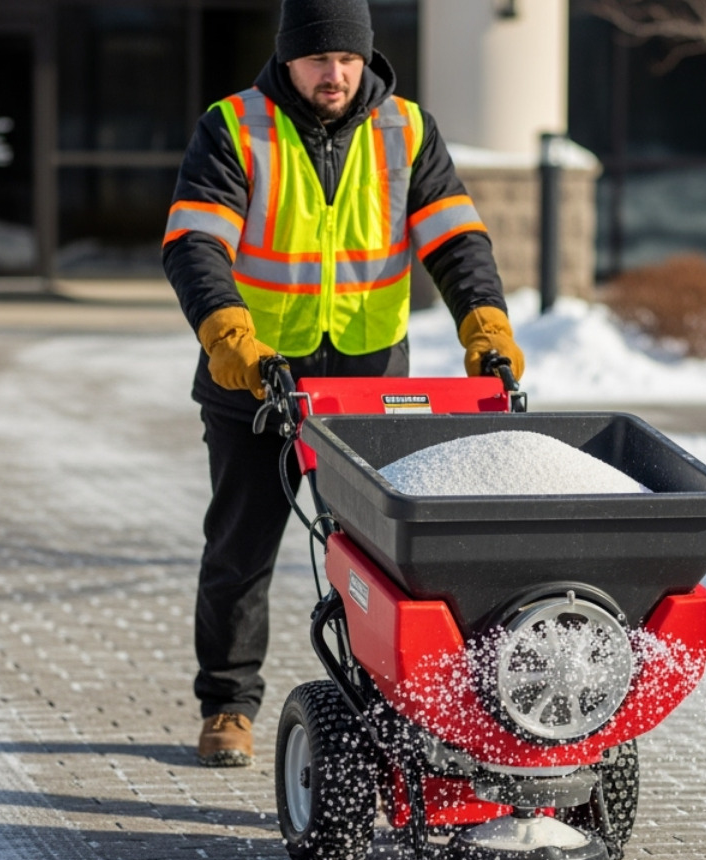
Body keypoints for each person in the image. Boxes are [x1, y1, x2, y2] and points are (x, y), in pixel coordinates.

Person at [162, 0, 524, 767]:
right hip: (256, 384)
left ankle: (385, 705)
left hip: (368, 390)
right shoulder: (236, 127)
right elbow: (196, 242)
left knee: (379, 563)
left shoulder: (408, 131)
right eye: (321, 59)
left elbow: (456, 241)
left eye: (350, 59)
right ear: (287, 57)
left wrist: (486, 327)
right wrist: (231, 336)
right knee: (240, 548)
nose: (337, 75)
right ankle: (227, 705)